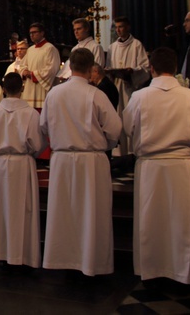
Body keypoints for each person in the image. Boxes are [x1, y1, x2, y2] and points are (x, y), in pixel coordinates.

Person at [123, 47, 190, 284]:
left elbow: (128, 128)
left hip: (151, 167)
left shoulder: (139, 97)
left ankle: (152, 271)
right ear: (175, 69)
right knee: (185, 222)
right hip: (184, 167)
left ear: (151, 68)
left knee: (151, 221)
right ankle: (185, 273)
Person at [40, 48, 122, 276]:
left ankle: (63, 260)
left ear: (70, 67)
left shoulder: (54, 94)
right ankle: (90, 262)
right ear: (91, 69)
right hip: (91, 161)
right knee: (91, 212)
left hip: (62, 160)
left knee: (64, 212)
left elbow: (44, 126)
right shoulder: (96, 95)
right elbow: (115, 129)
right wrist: (103, 145)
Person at [0, 72, 45, 268]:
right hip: (23, 164)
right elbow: (38, 143)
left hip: (1, 164)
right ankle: (23, 255)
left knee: (2, 208)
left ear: (3, 89)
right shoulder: (31, 113)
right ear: (22, 88)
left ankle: (2, 252)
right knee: (23, 210)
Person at [106, 16, 150, 156]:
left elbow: (145, 68)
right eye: (116, 27)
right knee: (117, 117)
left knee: (130, 118)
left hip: (130, 87)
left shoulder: (136, 45)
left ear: (128, 27)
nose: (118, 30)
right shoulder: (112, 47)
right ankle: (119, 153)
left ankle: (132, 152)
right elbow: (108, 66)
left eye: (121, 27)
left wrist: (132, 72)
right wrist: (110, 73)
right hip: (116, 86)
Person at [19, 23, 61, 110]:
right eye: (30, 33)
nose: (32, 35)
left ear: (42, 33)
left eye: (35, 32)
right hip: (30, 89)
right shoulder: (30, 49)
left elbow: (52, 69)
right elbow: (22, 65)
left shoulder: (50, 48)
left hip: (42, 90)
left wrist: (33, 74)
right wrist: (24, 71)